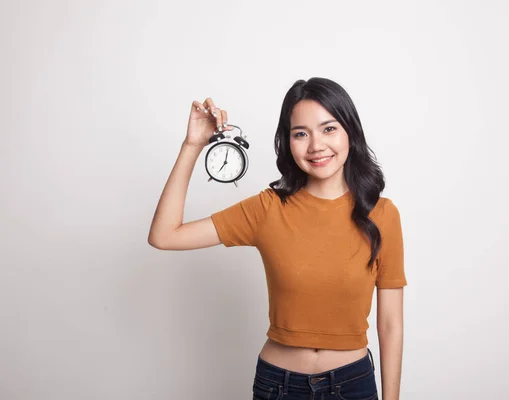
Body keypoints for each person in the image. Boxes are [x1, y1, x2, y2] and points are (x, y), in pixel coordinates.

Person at [148, 77, 407, 400]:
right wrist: (192, 146)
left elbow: (391, 323)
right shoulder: (268, 208)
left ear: (350, 133)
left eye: (329, 129)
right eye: (301, 133)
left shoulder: (381, 215)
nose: (316, 145)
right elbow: (164, 235)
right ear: (287, 142)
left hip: (352, 384)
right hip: (279, 386)